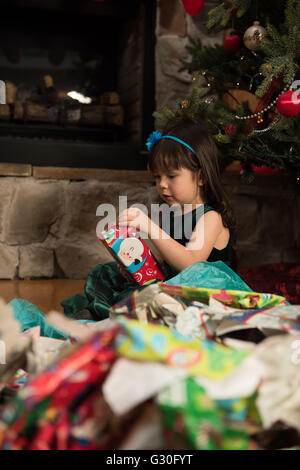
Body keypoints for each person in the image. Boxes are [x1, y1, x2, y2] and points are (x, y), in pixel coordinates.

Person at [62, 119, 236, 321]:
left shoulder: (210, 217)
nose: (162, 185)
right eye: (157, 177)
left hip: (202, 296)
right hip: (172, 286)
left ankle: (104, 315)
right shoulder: (175, 213)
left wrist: (149, 226)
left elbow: (191, 264)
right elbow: (166, 260)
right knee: (108, 274)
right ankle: (100, 312)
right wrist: (134, 264)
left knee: (146, 298)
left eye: (171, 176)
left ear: (201, 177)